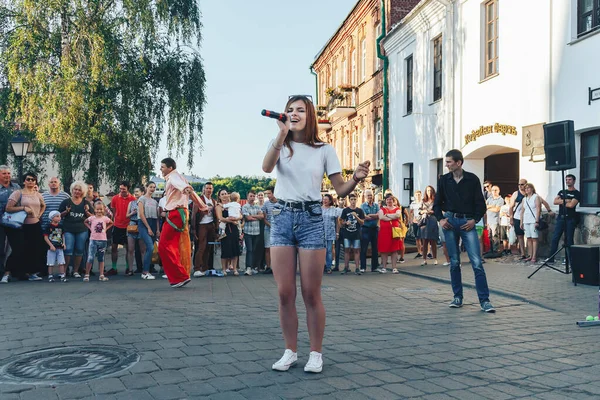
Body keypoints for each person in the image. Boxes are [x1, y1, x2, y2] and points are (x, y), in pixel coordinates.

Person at [262, 94, 370, 374]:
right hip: (283, 217)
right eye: (290, 110)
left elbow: (340, 190)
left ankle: (315, 353)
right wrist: (281, 135)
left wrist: (356, 178)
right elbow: (266, 167)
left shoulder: (324, 149)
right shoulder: (280, 144)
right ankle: (289, 351)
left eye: (300, 110)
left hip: (311, 218)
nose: (294, 113)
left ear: (309, 116)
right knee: (285, 292)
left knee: (311, 293)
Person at [434, 149, 495, 313]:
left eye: (448, 162)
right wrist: (441, 219)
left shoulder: (472, 179)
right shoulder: (444, 180)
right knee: (454, 262)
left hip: (467, 222)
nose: (446, 165)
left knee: (476, 262)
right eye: (446, 162)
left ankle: (485, 301)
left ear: (458, 163)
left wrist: (474, 220)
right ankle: (457, 297)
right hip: (450, 222)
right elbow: (437, 203)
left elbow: (480, 204)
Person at [158, 158, 208, 287]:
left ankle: (180, 276)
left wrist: (187, 190)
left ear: (170, 168)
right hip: (179, 213)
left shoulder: (173, 177)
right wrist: (202, 206)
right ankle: (182, 275)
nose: (161, 169)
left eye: (162, 167)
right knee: (177, 245)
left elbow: (186, 188)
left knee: (164, 245)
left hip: (176, 213)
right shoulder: (178, 177)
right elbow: (189, 191)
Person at [2, 172, 46, 282]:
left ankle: (30, 273)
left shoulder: (37, 194)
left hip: (35, 225)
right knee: (18, 249)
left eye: (33, 179)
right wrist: (23, 208)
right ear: (24, 181)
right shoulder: (18, 193)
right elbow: (8, 208)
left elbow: (43, 205)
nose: (31, 181)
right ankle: (6, 274)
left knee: (34, 250)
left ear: (35, 181)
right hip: (21, 226)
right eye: (28, 179)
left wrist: (39, 215)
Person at [58, 181, 93, 278]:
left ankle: (76, 271)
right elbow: (58, 216)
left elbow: (93, 217)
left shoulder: (86, 203)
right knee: (68, 249)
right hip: (68, 229)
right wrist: (66, 211)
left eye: (79, 190)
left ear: (82, 192)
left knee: (79, 250)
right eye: (75, 189)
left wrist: (87, 211)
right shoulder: (66, 202)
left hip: (82, 229)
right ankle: (64, 271)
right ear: (72, 190)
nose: (77, 192)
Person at [547, 174, 580, 264]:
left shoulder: (576, 193)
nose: (567, 181)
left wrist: (562, 201)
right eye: (566, 179)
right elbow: (555, 201)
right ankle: (551, 258)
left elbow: (571, 205)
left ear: (574, 181)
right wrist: (567, 200)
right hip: (560, 218)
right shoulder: (562, 191)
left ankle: (569, 259)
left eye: (569, 179)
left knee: (569, 239)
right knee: (555, 238)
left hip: (570, 219)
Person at [107, 181, 136, 276]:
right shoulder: (115, 198)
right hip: (117, 225)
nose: (121, 190)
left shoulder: (133, 199)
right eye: (120, 189)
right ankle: (114, 267)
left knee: (128, 248)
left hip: (128, 226)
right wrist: (117, 219)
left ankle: (128, 268)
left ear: (128, 188)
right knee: (114, 247)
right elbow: (114, 211)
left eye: (123, 189)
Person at [192, 182, 217, 277]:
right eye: (207, 188)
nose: (209, 190)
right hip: (202, 224)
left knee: (209, 247)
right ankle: (197, 268)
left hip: (211, 224)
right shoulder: (199, 200)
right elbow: (194, 215)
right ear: (204, 189)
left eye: (210, 188)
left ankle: (205, 267)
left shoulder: (214, 201)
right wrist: (194, 229)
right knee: (201, 247)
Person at [84, 202, 114, 282]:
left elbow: (111, 223)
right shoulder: (92, 218)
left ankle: (101, 274)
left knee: (101, 258)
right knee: (90, 257)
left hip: (103, 240)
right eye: (97, 209)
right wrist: (90, 228)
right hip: (93, 240)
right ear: (94, 209)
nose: (99, 211)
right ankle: (87, 274)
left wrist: (106, 229)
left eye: (101, 209)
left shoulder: (105, 218)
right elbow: (85, 221)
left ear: (103, 209)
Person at [0, 165, 20, 276]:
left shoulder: (16, 187)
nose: (7, 176)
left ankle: (14, 271)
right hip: (1, 220)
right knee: (1, 248)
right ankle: (1, 271)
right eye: (4, 173)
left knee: (16, 246)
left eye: (8, 173)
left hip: (14, 221)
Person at [215, 188, 241, 276]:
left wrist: (236, 219)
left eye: (225, 193)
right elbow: (220, 218)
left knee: (235, 249)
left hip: (234, 229)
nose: (224, 195)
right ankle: (224, 269)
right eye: (222, 194)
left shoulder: (233, 204)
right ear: (219, 196)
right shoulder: (219, 206)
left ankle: (234, 269)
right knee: (225, 249)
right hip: (224, 230)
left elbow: (240, 215)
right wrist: (231, 221)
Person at [137, 182, 160, 279]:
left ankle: (148, 269)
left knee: (151, 248)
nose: (152, 189)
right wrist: (148, 228)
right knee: (150, 247)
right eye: (150, 187)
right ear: (146, 187)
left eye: (154, 187)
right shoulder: (142, 199)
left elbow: (157, 217)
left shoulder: (155, 202)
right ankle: (145, 271)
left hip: (153, 223)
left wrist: (157, 229)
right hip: (144, 224)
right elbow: (141, 214)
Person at [339, 193, 365, 275]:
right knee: (347, 250)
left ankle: (357, 268)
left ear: (356, 200)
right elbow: (341, 221)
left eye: (354, 199)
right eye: (351, 199)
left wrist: (356, 217)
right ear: (349, 200)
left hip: (356, 233)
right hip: (347, 233)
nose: (353, 201)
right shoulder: (345, 210)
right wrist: (345, 222)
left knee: (356, 250)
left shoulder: (359, 210)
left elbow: (362, 222)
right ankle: (346, 267)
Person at [377, 193, 403, 274]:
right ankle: (384, 267)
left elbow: (398, 215)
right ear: (385, 200)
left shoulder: (397, 208)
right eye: (387, 199)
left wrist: (387, 215)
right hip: (384, 232)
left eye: (391, 199)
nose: (389, 201)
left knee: (394, 250)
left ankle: (394, 267)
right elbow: (381, 217)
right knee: (384, 250)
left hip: (394, 231)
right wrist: (392, 217)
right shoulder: (382, 209)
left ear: (393, 200)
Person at [242, 190, 264, 276]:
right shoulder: (245, 207)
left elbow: (262, 216)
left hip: (256, 231)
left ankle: (254, 266)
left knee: (255, 250)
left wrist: (253, 216)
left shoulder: (257, 207)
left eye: (253, 196)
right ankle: (248, 267)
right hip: (248, 231)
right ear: (247, 197)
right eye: (250, 196)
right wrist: (256, 217)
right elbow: (247, 217)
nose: (252, 198)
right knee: (249, 250)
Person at [519, 183, 541, 263]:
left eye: (528, 188)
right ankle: (530, 254)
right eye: (525, 189)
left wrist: (537, 220)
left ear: (532, 188)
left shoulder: (536, 197)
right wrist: (521, 221)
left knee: (534, 238)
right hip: (526, 220)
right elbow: (522, 211)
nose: (527, 190)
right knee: (528, 238)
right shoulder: (524, 199)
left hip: (533, 220)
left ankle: (534, 256)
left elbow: (538, 209)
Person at [125, 186, 144, 276]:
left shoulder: (144, 202)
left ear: (142, 192)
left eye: (137, 191)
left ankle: (145, 269)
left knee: (142, 249)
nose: (136, 193)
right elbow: (127, 215)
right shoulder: (131, 203)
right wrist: (132, 213)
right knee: (131, 249)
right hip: (132, 225)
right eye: (135, 192)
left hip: (141, 224)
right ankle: (130, 269)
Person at [44, 211, 67, 282]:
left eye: (59, 216)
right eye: (57, 216)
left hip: (59, 247)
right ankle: (50, 275)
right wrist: (50, 245)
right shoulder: (48, 227)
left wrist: (64, 243)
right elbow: (45, 237)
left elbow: (63, 235)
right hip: (52, 247)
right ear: (52, 218)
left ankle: (62, 275)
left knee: (61, 262)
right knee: (50, 262)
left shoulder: (61, 226)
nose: (59, 218)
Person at [360, 189, 379, 273]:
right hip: (365, 229)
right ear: (365, 196)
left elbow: (379, 215)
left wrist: (370, 215)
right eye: (368, 195)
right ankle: (363, 267)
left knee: (375, 248)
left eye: (371, 195)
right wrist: (373, 216)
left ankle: (374, 267)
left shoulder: (376, 205)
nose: (370, 197)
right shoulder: (362, 206)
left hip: (374, 229)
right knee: (364, 248)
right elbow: (364, 217)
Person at [419, 185, 439, 266]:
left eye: (430, 190)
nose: (429, 192)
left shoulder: (435, 200)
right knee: (424, 241)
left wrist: (432, 212)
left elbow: (437, 210)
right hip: (424, 221)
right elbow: (419, 211)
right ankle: (424, 259)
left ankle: (435, 258)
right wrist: (423, 211)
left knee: (433, 241)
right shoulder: (423, 201)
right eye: (427, 190)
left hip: (433, 220)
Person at [321, 194, 340, 274]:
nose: (324, 201)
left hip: (330, 232)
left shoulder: (334, 209)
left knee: (329, 250)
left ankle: (328, 267)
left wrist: (337, 232)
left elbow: (337, 222)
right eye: (323, 199)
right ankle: (322, 266)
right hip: (321, 233)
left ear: (330, 201)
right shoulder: (320, 209)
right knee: (321, 250)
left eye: (326, 199)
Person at [509, 179, 528, 259]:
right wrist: (511, 218)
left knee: (528, 236)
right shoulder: (516, 193)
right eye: (519, 184)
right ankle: (523, 253)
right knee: (520, 235)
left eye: (522, 184)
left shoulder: (529, 193)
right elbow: (511, 206)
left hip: (527, 217)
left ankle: (529, 252)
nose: (520, 186)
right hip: (517, 216)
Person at [262, 187, 278, 274]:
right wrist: (270, 225)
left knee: (278, 249)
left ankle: (278, 267)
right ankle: (268, 267)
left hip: (279, 229)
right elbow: (264, 218)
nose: (267, 196)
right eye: (266, 194)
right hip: (268, 228)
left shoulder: (280, 203)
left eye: (269, 193)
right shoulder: (266, 204)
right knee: (267, 248)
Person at [485, 186, 504, 255]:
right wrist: (492, 206)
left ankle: (495, 250)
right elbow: (484, 206)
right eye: (493, 190)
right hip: (488, 220)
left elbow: (497, 210)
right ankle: (491, 249)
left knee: (495, 235)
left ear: (499, 191)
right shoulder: (489, 198)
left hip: (495, 220)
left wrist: (488, 207)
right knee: (489, 236)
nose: (494, 191)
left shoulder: (500, 199)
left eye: (496, 190)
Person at [409, 190, 423, 259]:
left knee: (424, 237)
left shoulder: (423, 203)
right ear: (414, 196)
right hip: (415, 221)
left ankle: (428, 252)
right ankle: (419, 252)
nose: (418, 196)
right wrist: (411, 220)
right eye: (416, 195)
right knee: (417, 237)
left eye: (419, 194)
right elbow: (411, 212)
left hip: (423, 221)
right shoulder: (413, 204)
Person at [333, 197, 346, 271]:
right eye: (341, 200)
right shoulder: (335, 210)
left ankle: (346, 266)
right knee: (337, 248)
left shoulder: (346, 210)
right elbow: (336, 221)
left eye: (343, 199)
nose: (342, 201)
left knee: (345, 249)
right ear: (338, 201)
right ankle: (336, 266)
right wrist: (337, 232)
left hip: (345, 230)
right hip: (338, 230)